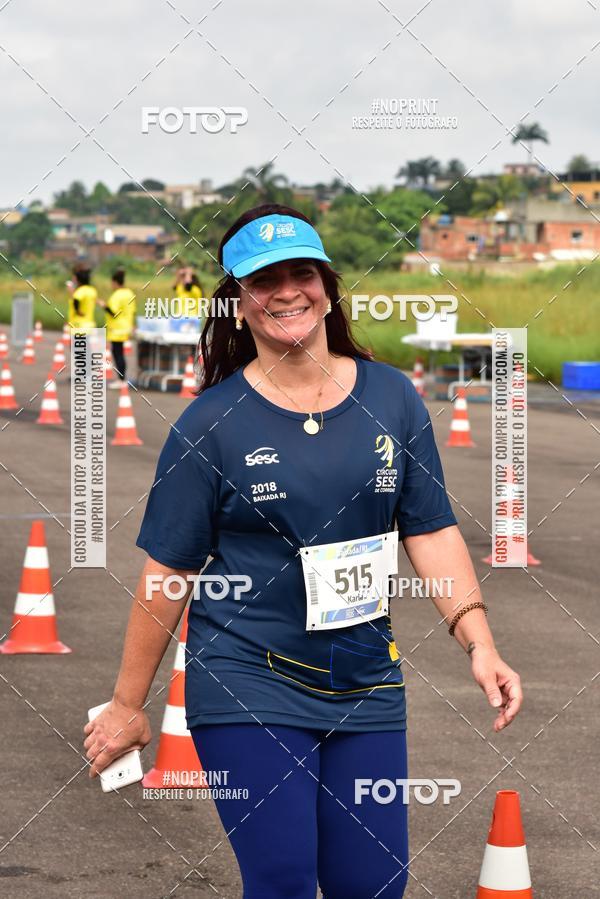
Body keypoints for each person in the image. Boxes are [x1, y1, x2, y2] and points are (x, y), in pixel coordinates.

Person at [83, 204, 523, 899]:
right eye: (264, 280)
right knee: (283, 878)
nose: (286, 291)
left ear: (328, 284)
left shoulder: (392, 397)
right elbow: (169, 571)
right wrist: (128, 704)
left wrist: (480, 644)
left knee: (372, 883)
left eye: (301, 272)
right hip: (247, 678)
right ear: (237, 302)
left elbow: (430, 529)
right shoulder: (210, 426)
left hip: (366, 680)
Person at [97, 268, 136, 386]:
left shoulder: (117, 295)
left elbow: (113, 312)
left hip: (117, 328)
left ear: (114, 282)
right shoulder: (129, 293)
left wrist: (103, 305)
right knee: (120, 353)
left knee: (117, 353)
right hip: (126, 326)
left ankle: (121, 380)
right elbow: (132, 311)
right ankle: (122, 378)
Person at [67, 264, 97, 332]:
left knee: (79, 342)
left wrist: (78, 311)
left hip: (79, 325)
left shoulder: (80, 291)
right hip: (89, 324)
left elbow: (76, 300)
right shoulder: (92, 290)